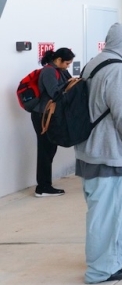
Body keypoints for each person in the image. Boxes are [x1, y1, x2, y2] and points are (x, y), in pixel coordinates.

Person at [75, 23, 122, 283]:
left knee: (114, 206)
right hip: (109, 150)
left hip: (89, 149)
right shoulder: (120, 71)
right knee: (104, 212)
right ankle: (101, 269)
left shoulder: (93, 64)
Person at [30, 47, 75, 197]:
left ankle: (44, 185)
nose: (68, 66)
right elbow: (54, 92)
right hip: (42, 116)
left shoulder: (60, 70)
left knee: (49, 149)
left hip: (49, 115)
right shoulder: (49, 71)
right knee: (45, 150)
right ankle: (43, 187)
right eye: (67, 63)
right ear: (59, 60)